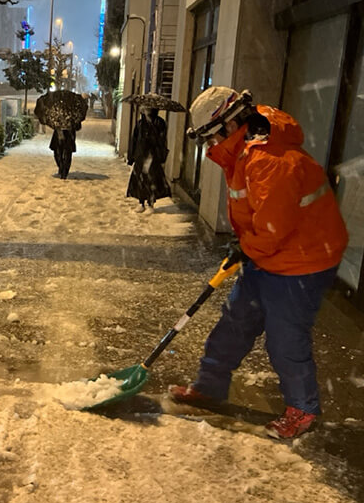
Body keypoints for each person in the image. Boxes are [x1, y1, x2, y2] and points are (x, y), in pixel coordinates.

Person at [169, 87, 349, 439]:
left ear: (231, 122)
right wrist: (247, 245)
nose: (211, 145)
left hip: (302, 260)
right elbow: (261, 222)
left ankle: (303, 409)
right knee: (235, 323)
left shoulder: (270, 160)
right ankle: (210, 388)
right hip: (267, 253)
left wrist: (246, 246)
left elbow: (272, 228)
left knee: (285, 338)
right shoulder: (246, 148)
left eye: (213, 135)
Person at [126, 108, 171, 210]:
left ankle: (151, 201)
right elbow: (134, 140)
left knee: (152, 179)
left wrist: (161, 155)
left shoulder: (160, 123)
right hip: (141, 155)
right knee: (141, 179)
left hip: (153, 155)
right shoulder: (140, 123)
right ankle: (141, 201)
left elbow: (162, 140)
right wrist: (131, 156)